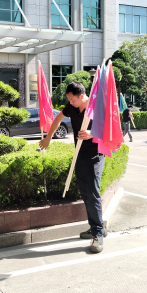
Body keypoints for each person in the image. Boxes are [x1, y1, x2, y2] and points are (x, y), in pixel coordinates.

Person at [39, 82, 106, 253]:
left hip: (96, 155)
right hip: (80, 154)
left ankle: (98, 233)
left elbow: (109, 130)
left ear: (81, 96)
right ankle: (96, 225)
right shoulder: (71, 107)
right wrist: (48, 138)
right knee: (85, 193)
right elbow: (58, 119)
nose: (70, 102)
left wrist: (92, 133)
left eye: (72, 99)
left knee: (92, 192)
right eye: (69, 99)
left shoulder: (96, 107)